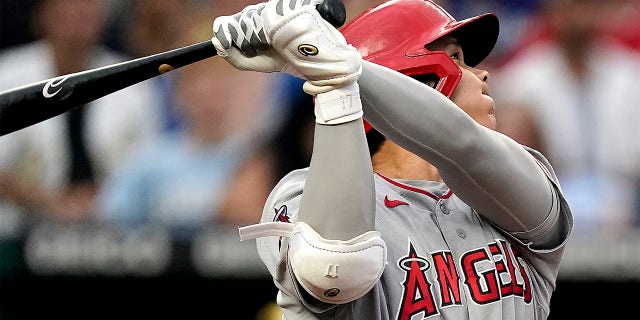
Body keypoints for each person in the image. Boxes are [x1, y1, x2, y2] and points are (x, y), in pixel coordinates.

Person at [212, 0, 573, 319]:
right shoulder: (302, 192)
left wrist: (332, 62)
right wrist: (333, 77)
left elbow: (463, 145)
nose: (482, 74)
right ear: (415, 76)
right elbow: (334, 267)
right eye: (456, 58)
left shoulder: (526, 178)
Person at [0, 0, 162, 223]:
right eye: (67, 14)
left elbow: (152, 162)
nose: (75, 24)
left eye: (85, 14)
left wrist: (98, 199)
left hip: (112, 223)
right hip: (19, 225)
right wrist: (46, 200)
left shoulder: (134, 82)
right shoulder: (7, 76)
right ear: (42, 18)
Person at [491, 0, 640, 236]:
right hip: (553, 200)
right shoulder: (523, 77)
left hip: (627, 197)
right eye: (568, 9)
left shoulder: (630, 73)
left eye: (585, 8)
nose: (577, 18)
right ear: (552, 15)